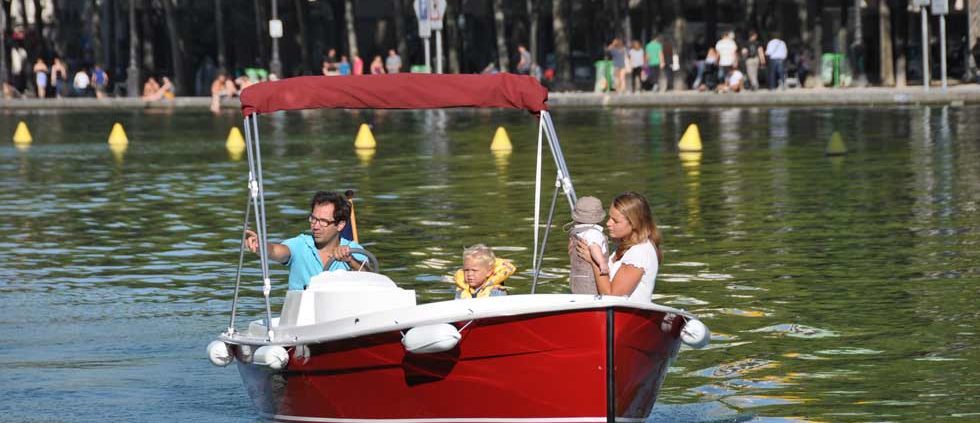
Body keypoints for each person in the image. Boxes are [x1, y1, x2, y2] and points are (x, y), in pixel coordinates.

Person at [245, 191, 369, 291]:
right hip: (301, 317)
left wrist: (350, 261)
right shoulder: (299, 245)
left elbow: (371, 280)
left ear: (340, 225)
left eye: (323, 221)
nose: (315, 226)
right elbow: (274, 250)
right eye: (313, 219)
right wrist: (261, 246)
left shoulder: (354, 250)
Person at [574, 192, 662, 302]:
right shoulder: (624, 246)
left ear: (634, 223)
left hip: (628, 315)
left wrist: (593, 261)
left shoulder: (640, 252)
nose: (608, 223)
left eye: (615, 221)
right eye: (610, 217)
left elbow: (612, 297)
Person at [567, 196, 608, 295]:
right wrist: (602, 263)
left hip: (575, 278)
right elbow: (594, 247)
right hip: (590, 281)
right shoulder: (594, 233)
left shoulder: (575, 232)